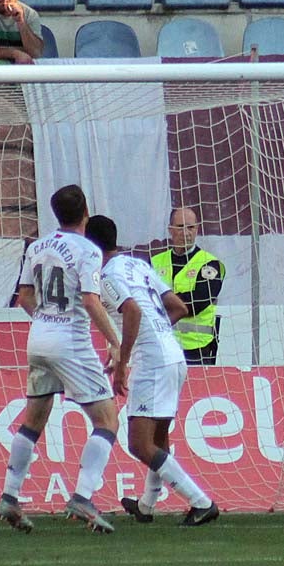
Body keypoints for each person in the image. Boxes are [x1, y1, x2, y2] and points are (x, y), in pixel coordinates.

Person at [0, 184, 124, 534]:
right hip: (71, 342)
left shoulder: (37, 247)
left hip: (38, 337)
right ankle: (82, 497)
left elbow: (23, 296)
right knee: (108, 420)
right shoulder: (89, 250)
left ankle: (9, 495)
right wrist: (116, 342)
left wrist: (46, 319)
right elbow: (92, 301)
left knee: (33, 421)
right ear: (86, 213)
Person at [84, 215, 220, 526]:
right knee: (158, 437)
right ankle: (147, 505)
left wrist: (123, 360)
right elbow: (179, 307)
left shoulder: (105, 275)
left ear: (92, 245)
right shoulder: (139, 265)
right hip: (173, 354)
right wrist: (156, 333)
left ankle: (201, 502)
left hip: (153, 362)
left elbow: (131, 310)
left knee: (139, 443)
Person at [151, 207, 225, 366]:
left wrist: (160, 300)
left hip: (196, 347)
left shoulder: (209, 263)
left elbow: (199, 301)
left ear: (197, 229)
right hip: (161, 343)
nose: (185, 232)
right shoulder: (155, 261)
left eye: (190, 227)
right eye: (180, 227)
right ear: (170, 230)